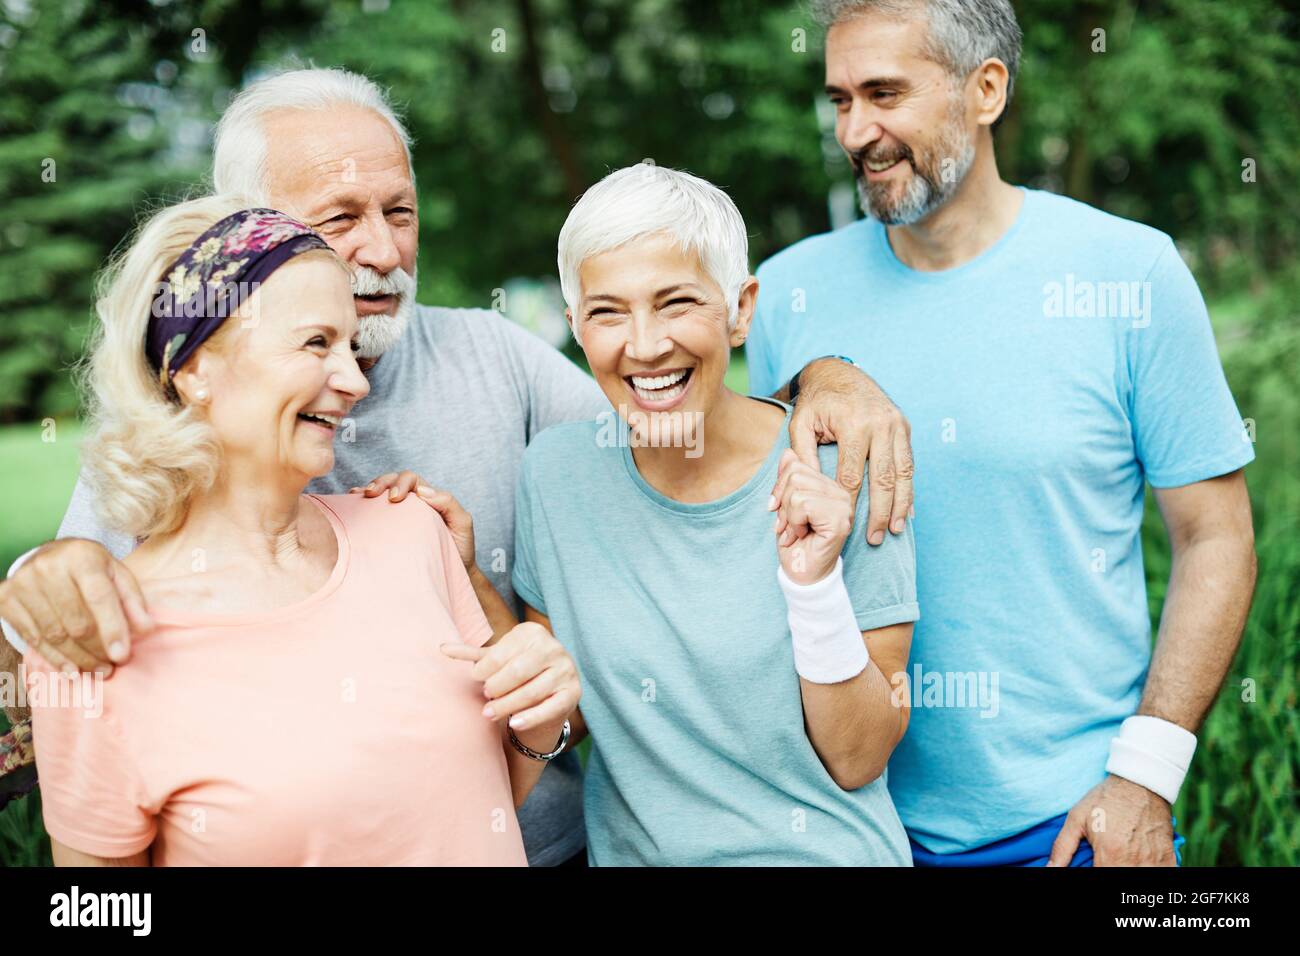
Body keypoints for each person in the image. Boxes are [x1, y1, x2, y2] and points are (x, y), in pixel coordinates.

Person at [0, 68, 917, 866]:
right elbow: (60, 668)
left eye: (399, 211)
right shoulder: (156, 492)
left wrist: (821, 383)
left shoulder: (482, 392)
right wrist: (35, 574)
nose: (386, 250)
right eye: (340, 220)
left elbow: (670, 407)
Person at [748, 0, 1256, 866]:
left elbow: (1215, 537)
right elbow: (751, 522)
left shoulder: (1129, 272)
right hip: (845, 829)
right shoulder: (787, 293)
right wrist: (809, 376)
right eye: (839, 99)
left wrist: (1145, 777)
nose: (854, 130)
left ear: (986, 90)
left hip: (1071, 827)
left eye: (884, 93)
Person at [25, 197, 581, 865]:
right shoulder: (97, 642)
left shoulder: (414, 534)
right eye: (317, 342)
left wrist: (538, 716)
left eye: (349, 345)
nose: (352, 381)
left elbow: (472, 807)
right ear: (195, 365)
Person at [510, 165, 919, 865]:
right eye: (608, 311)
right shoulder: (554, 475)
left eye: (677, 303)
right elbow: (564, 712)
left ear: (740, 309)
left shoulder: (837, 466)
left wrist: (812, 588)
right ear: (576, 324)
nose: (644, 345)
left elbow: (858, 756)